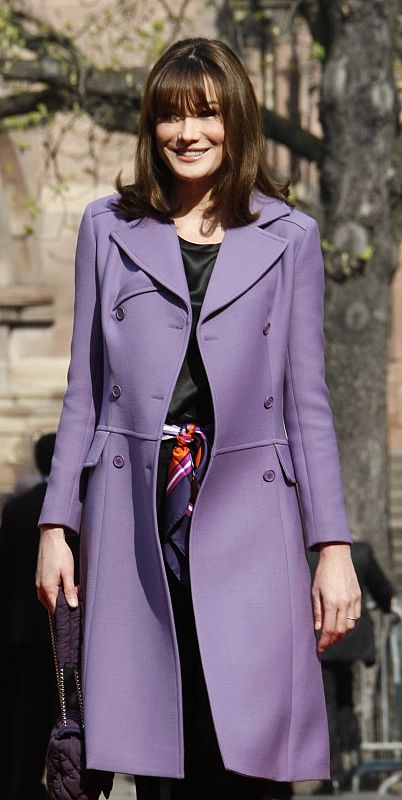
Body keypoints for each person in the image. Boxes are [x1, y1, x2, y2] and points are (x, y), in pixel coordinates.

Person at [35, 37, 361, 800]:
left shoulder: (290, 238)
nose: (189, 133)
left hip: (253, 519)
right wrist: (56, 527)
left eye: (207, 114)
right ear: (151, 128)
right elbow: (84, 390)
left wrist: (334, 546)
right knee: (159, 756)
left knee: (249, 752)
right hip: (136, 521)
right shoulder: (106, 228)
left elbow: (309, 402)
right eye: (171, 116)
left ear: (235, 121)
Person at [0, 434, 77, 800]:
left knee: (30, 708)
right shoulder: (77, 509)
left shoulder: (16, 509)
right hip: (68, 626)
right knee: (70, 706)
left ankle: (26, 782)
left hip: (26, 628)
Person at [308, 541, 395, 794]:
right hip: (349, 640)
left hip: (320, 640)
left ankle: (332, 773)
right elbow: (382, 590)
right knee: (344, 699)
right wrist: (388, 604)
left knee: (328, 706)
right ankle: (349, 748)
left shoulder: (307, 553)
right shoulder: (362, 552)